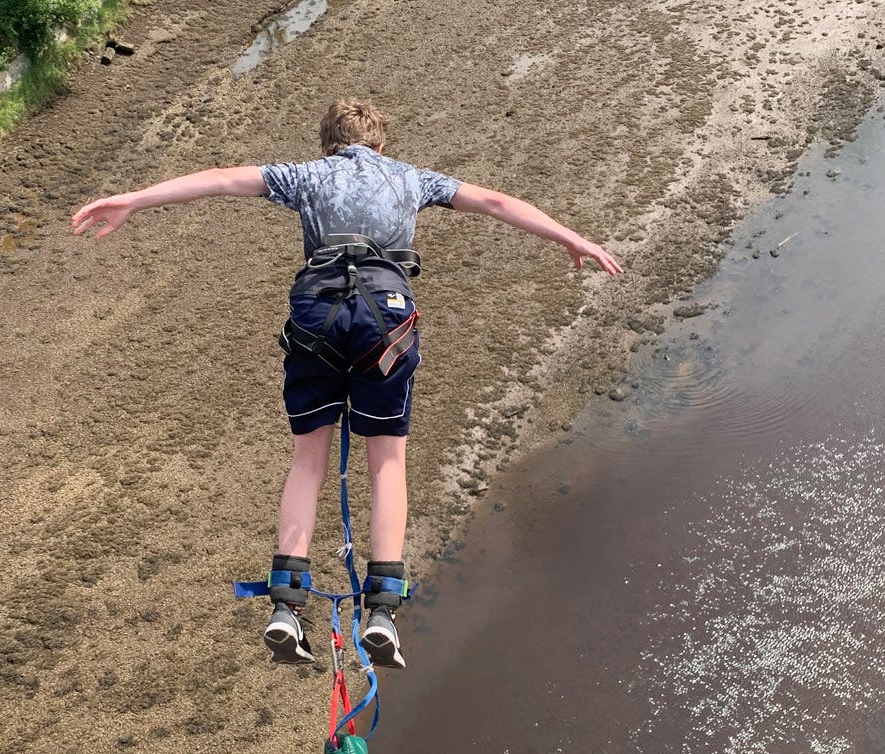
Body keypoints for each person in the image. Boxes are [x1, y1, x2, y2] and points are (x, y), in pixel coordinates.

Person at [72, 99, 622, 669]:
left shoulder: (304, 175)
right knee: (386, 460)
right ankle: (381, 613)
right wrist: (569, 237)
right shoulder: (412, 178)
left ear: (327, 145)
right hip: (385, 318)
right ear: (380, 145)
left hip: (316, 315)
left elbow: (219, 180)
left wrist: (133, 199)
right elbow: (495, 201)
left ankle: (285, 606)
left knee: (308, 459)